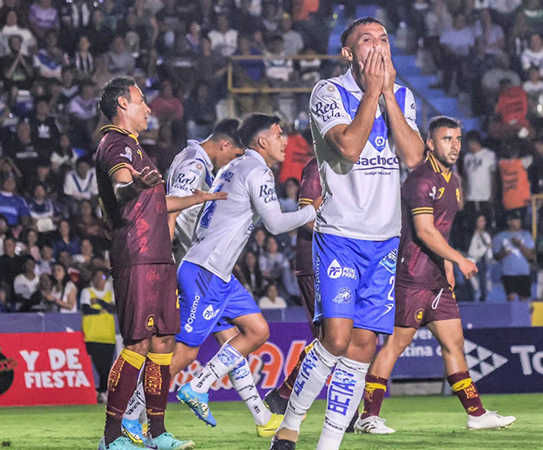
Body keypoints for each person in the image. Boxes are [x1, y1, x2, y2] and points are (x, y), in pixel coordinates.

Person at [272, 17, 425, 450]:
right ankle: (290, 426)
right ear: (348, 52)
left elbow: (414, 156)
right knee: (335, 340)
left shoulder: (402, 96)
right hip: (340, 234)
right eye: (366, 40)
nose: (377, 47)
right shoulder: (328, 92)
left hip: (385, 239)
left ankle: (329, 444)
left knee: (362, 347)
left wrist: (388, 94)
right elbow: (349, 146)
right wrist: (374, 91)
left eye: (383, 39)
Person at [355, 116, 514, 435]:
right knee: (396, 346)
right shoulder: (421, 181)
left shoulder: (453, 181)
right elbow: (425, 232)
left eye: (457, 140)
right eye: (446, 139)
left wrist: (447, 266)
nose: (454, 146)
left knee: (454, 343)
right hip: (412, 277)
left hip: (437, 280)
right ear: (430, 143)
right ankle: (367, 416)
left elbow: (442, 229)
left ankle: (476, 414)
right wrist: (460, 260)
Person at [168, 114, 317, 438]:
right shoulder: (256, 170)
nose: (285, 141)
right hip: (205, 270)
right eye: (279, 135)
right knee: (184, 352)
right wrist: (312, 211)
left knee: (256, 329)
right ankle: (132, 414)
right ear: (262, 141)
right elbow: (275, 224)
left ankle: (208, 390)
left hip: (218, 273)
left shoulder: (230, 167)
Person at [94, 76, 219, 450]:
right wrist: (133, 185)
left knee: (164, 340)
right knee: (139, 341)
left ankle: (158, 432)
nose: (148, 108)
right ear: (122, 105)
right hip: (137, 254)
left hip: (159, 255)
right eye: (141, 101)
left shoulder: (135, 146)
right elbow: (122, 187)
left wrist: (196, 199)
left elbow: (154, 204)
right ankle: (112, 436)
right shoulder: (116, 144)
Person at [262, 157, 322, 414]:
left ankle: (284, 393)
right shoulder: (319, 166)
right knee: (332, 339)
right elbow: (307, 220)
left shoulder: (357, 166)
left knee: (338, 339)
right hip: (318, 262)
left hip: (346, 261)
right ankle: (349, 413)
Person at [165, 119, 246, 262]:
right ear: (225, 145)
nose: (234, 163)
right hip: (182, 260)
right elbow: (171, 209)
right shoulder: (195, 166)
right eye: (236, 156)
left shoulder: (191, 156)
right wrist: (163, 259)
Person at [81, 268, 116, 404]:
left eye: (102, 278)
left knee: (106, 367)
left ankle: (102, 392)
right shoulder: (87, 292)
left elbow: (113, 309)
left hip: (108, 335)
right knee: (100, 366)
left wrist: (99, 303)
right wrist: (102, 309)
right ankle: (101, 391)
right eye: (96, 277)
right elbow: (86, 309)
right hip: (92, 335)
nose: (98, 280)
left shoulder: (109, 293)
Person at [491, 211, 535, 301]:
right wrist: (503, 253)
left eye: (518, 220)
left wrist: (520, 245)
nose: (517, 222)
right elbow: (496, 256)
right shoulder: (500, 237)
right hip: (508, 272)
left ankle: (522, 315)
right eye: (514, 220)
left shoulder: (526, 235)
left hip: (523, 272)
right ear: (509, 222)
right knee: (511, 298)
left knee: (524, 298)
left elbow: (530, 256)